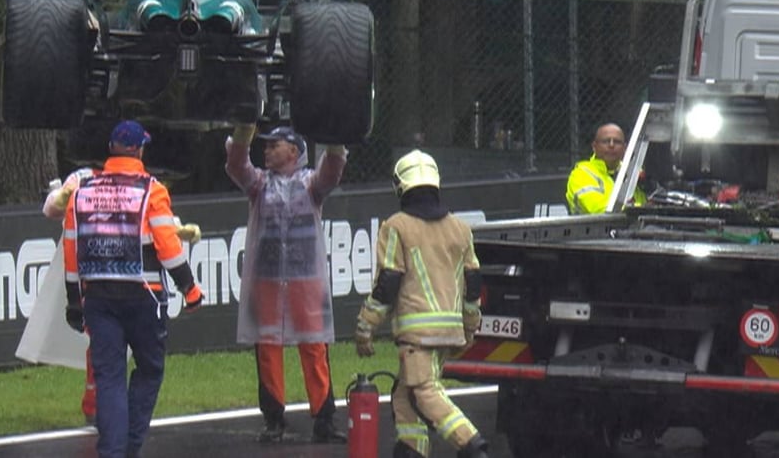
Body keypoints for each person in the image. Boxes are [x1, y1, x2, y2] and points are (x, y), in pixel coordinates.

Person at [61, 120, 203, 458]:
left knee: (109, 377)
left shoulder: (82, 190)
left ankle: (112, 452)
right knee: (150, 369)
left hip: (97, 295)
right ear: (140, 150)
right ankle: (130, 446)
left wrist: (73, 301)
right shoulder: (151, 190)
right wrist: (189, 288)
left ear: (111, 149)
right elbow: (167, 244)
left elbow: (70, 247)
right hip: (144, 295)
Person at [354, 150, 489, 458]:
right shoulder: (460, 228)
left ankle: (472, 444)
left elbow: (389, 282)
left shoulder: (397, 226)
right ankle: (413, 449)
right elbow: (473, 283)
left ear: (400, 186)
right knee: (405, 395)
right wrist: (470, 326)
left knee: (426, 391)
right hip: (450, 331)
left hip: (417, 334)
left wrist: (366, 327)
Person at [225, 124, 347, 444]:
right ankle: (274, 419)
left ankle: (323, 418)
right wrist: (241, 136)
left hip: (305, 278)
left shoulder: (310, 184)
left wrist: (335, 141)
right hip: (266, 279)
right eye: (263, 145)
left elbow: (331, 174)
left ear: (293, 151)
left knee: (314, 346)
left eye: (273, 145)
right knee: (267, 346)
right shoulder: (260, 185)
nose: (265, 150)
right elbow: (238, 167)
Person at [565, 122, 645, 214]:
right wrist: (643, 208)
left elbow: (646, 202)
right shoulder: (581, 174)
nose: (611, 145)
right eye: (606, 141)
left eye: (617, 142)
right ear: (594, 147)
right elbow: (602, 210)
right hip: (595, 227)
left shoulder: (632, 172)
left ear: (625, 148)